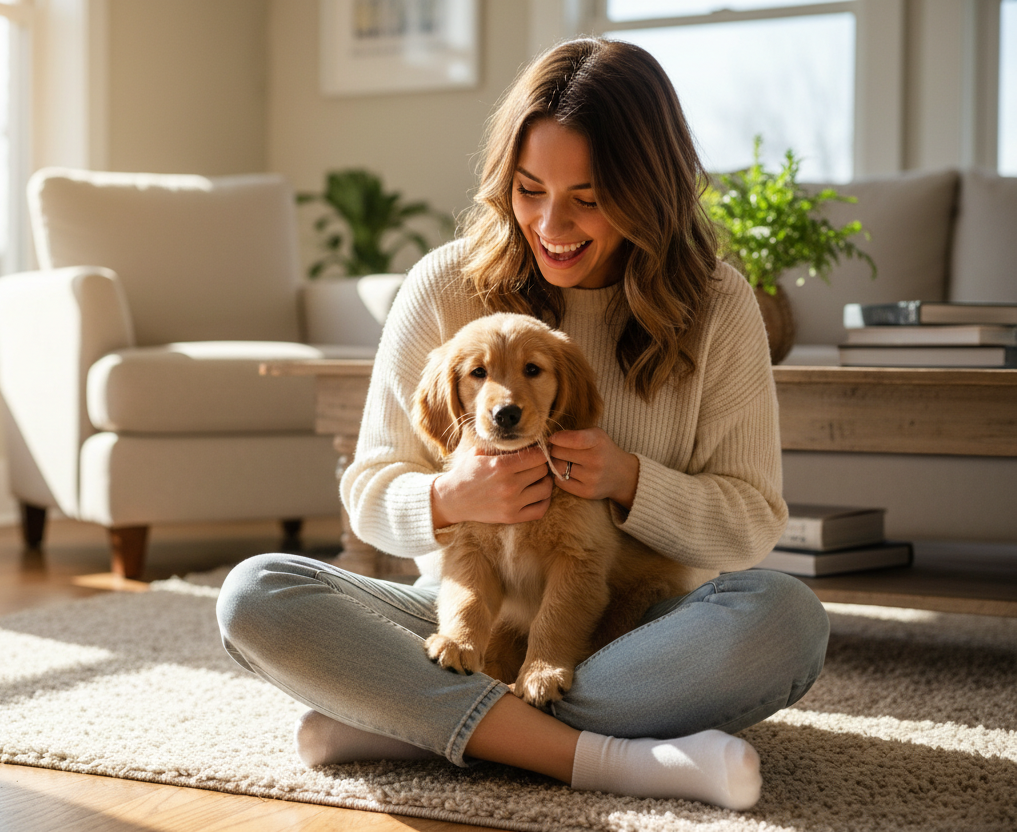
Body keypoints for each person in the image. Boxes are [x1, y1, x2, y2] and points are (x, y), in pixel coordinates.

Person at [217, 37, 829, 811]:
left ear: (650, 192)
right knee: (257, 593)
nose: (551, 224)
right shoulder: (443, 284)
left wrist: (629, 481)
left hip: (634, 625)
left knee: (786, 620)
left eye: (588, 198)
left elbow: (753, 524)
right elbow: (369, 490)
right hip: (469, 620)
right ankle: (606, 757)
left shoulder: (719, 305)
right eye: (529, 189)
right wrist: (450, 497)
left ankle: (417, 721)